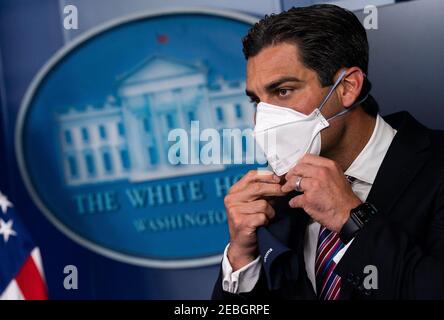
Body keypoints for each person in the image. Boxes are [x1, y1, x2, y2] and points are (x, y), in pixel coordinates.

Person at [212, 4, 444, 300]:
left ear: (347, 87)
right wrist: (242, 260)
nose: (264, 119)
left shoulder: (435, 166)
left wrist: (353, 219)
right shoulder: (279, 201)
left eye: (283, 91)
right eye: (258, 101)